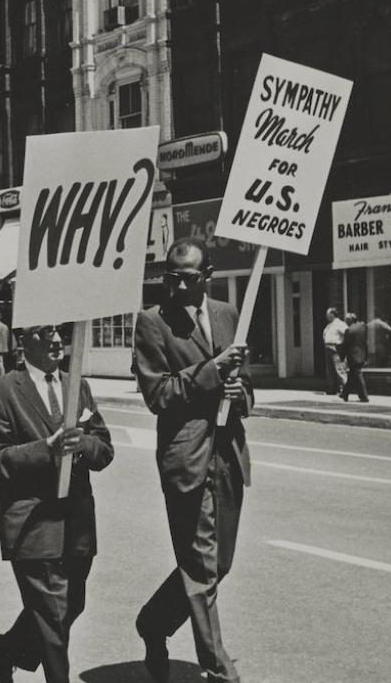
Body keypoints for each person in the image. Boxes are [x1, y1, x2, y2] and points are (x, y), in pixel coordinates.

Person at [132, 237, 252, 683]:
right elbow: (158, 394)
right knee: (200, 566)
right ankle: (217, 667)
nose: (176, 287)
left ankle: (154, 623)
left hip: (228, 456)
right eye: (170, 277)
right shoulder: (151, 323)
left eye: (186, 279)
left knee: (218, 564)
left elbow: (246, 385)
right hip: (186, 458)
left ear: (208, 277)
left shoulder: (226, 314)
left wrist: (241, 396)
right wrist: (212, 371)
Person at [0, 325, 114, 683]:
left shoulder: (77, 386)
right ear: (23, 340)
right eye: (45, 333)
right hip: (32, 525)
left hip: (77, 523)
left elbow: (104, 449)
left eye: (60, 332)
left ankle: (8, 648)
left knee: (70, 605)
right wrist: (47, 450)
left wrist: (81, 442)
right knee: (52, 616)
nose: (57, 340)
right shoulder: (0, 391)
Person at [340, 312, 369, 403]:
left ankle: (364, 397)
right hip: (362, 354)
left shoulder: (349, 330)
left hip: (353, 356)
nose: (345, 322)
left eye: (346, 320)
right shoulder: (362, 327)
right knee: (352, 375)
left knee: (357, 375)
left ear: (350, 320)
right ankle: (344, 394)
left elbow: (345, 345)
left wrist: (342, 357)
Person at [321, 307, 347, 395]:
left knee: (339, 368)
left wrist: (342, 346)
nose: (326, 316)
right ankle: (331, 389)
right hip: (328, 347)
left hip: (335, 348)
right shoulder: (329, 325)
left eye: (327, 314)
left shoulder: (340, 324)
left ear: (332, 314)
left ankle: (344, 389)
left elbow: (346, 334)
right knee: (330, 370)